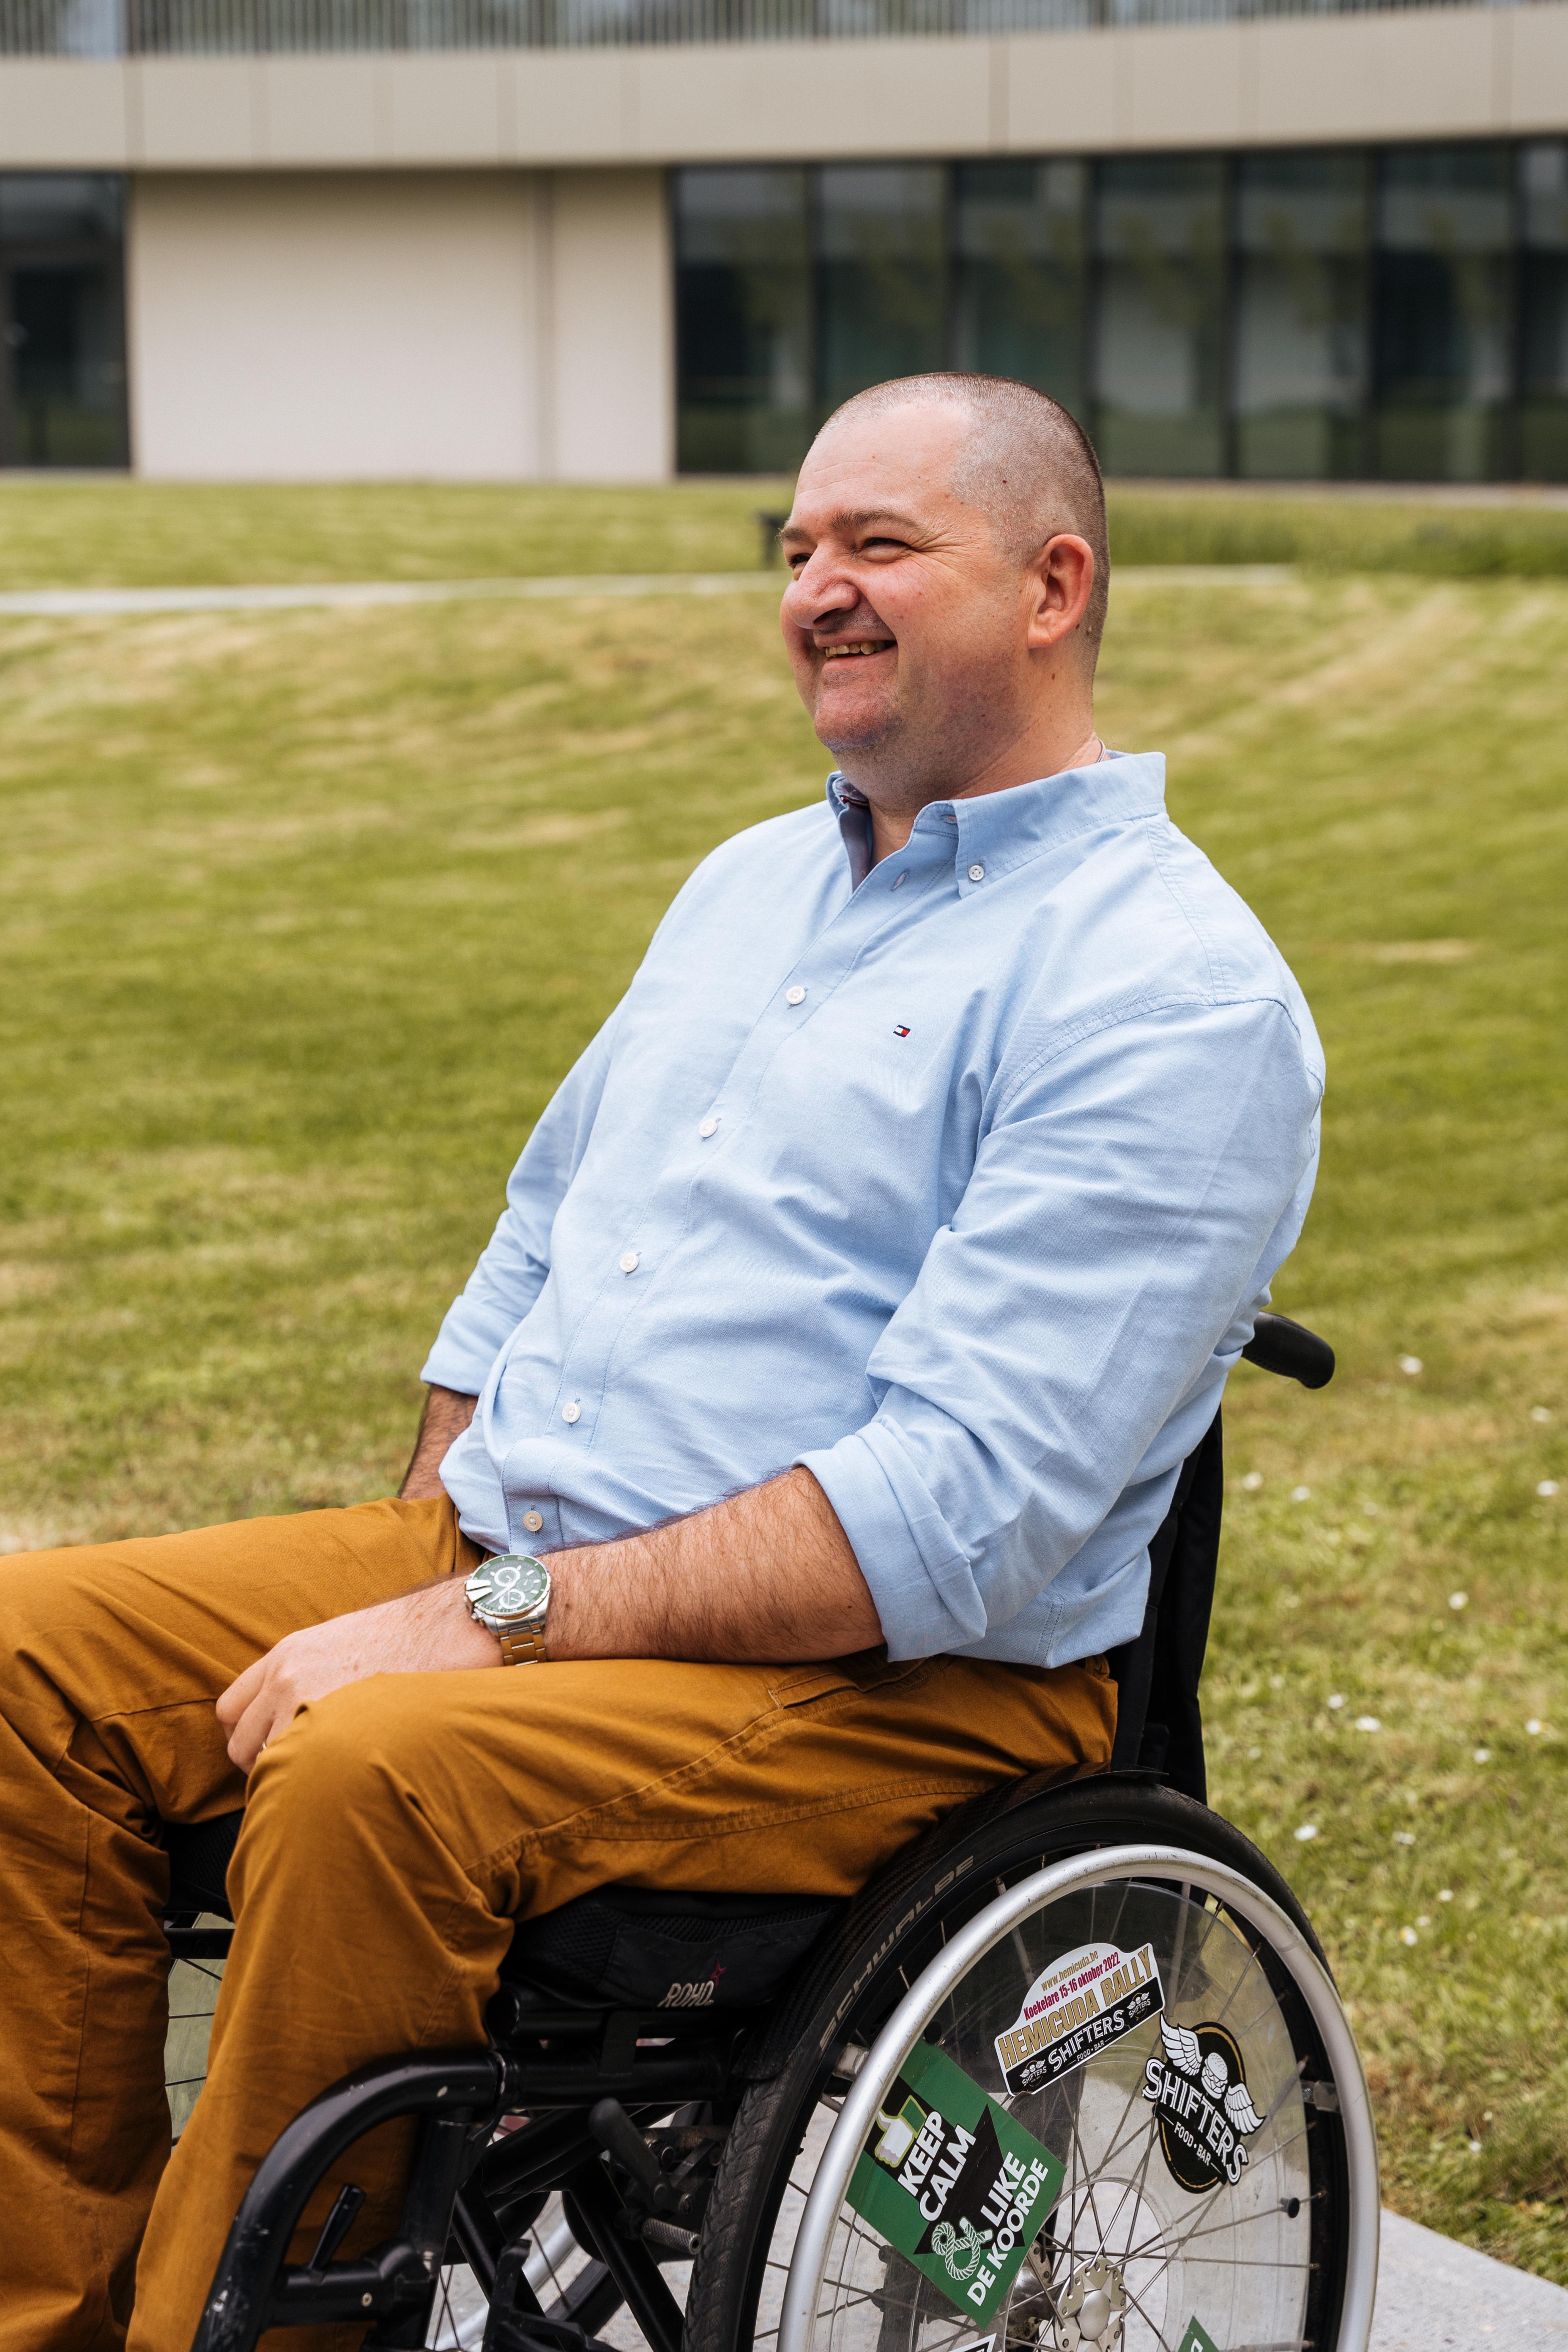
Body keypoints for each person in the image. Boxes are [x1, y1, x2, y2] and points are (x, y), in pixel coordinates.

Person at [0, 372, 1322, 2352]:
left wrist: (484, 1621)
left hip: (894, 1677)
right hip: (542, 1570)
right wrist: (441, 1530)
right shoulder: (749, 883)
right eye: (795, 549)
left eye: (879, 543)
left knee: (371, 1774)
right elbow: (540, 1230)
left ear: (1052, 587)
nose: (815, 589)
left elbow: (951, 1515)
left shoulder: (1172, 991)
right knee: (29, 1660)